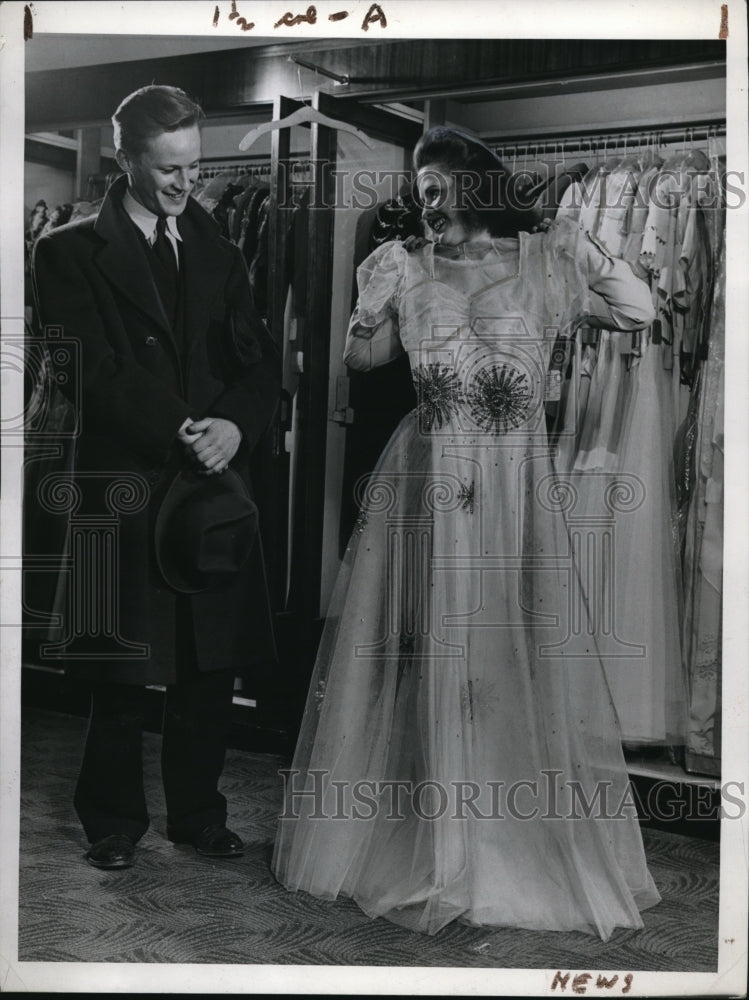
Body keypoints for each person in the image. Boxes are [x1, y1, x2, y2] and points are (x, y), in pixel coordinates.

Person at [272, 127, 661, 939]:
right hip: (427, 477)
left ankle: (501, 832)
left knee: (506, 651)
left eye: (438, 186)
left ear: (475, 185)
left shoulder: (549, 259)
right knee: (428, 653)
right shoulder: (400, 263)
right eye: (420, 188)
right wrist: (363, 317)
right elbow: (368, 360)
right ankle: (435, 838)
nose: (425, 200)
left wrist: (583, 247)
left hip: (516, 482)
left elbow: (637, 311)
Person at [32, 85, 279, 870]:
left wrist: (236, 425)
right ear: (124, 159)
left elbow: (257, 366)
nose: (185, 185)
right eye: (169, 170)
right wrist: (184, 428)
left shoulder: (221, 249)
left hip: (209, 487)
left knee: (207, 668)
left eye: (194, 168)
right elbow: (87, 371)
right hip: (124, 487)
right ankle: (112, 823)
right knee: (120, 674)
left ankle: (197, 816)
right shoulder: (64, 251)